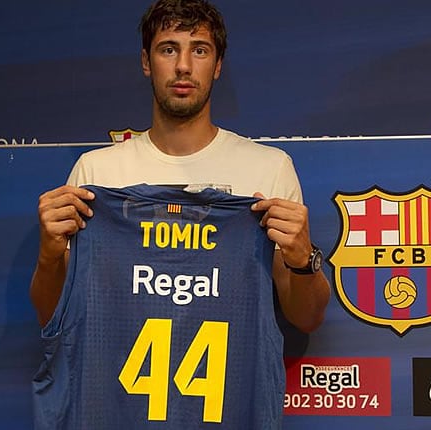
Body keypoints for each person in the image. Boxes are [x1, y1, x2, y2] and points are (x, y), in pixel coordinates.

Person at [30, 0, 330, 428]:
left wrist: (303, 259)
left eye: (200, 50)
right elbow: (53, 318)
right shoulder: (97, 172)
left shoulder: (268, 169)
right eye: (168, 49)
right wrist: (47, 254)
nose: (184, 66)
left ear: (219, 65)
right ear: (146, 62)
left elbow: (307, 317)